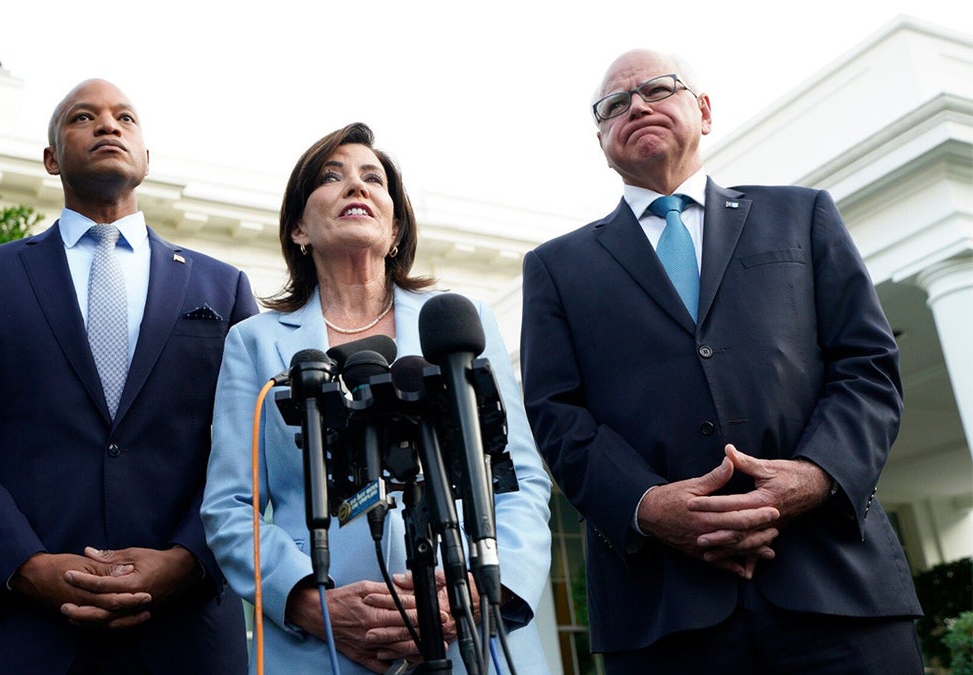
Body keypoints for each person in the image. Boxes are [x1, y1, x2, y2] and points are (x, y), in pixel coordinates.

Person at [520, 49, 924, 674]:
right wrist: (646, 504)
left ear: (704, 111)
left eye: (658, 89)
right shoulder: (555, 267)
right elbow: (555, 414)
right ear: (601, 141)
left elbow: (866, 364)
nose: (637, 107)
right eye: (614, 105)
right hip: (664, 610)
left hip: (835, 586)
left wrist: (815, 475)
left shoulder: (802, 215)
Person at [0, 78, 256, 674]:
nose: (108, 125)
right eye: (82, 117)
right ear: (51, 158)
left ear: (146, 158)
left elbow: (251, 446)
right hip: (18, 630)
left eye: (125, 117)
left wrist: (187, 559)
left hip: (183, 633)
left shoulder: (221, 287)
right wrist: (26, 565)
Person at [201, 122, 553, 674]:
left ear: (395, 229)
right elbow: (230, 506)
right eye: (331, 177)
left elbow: (519, 479)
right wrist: (308, 602)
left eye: (373, 178)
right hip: (323, 648)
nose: (356, 186)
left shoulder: (460, 323)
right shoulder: (255, 343)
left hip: (473, 635)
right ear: (298, 228)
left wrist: (484, 590)